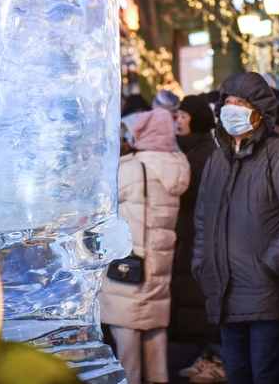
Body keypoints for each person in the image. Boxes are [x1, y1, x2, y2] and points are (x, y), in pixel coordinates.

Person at [193, 72, 279, 384]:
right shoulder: (217, 160)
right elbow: (202, 220)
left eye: (241, 103)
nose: (232, 109)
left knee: (269, 376)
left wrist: (269, 265)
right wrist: (202, 263)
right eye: (228, 102)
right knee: (238, 376)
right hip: (226, 294)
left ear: (260, 111)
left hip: (270, 295)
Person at [99, 108, 191, 384]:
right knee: (154, 327)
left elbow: (100, 199)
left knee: (126, 329)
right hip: (159, 263)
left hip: (129, 263)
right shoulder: (177, 167)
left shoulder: (133, 169)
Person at [171, 96, 225, 383]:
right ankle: (206, 356)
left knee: (202, 300)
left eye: (183, 116)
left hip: (198, 236)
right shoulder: (188, 150)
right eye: (177, 115)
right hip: (187, 236)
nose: (177, 121)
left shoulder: (204, 154)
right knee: (194, 301)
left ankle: (218, 359)